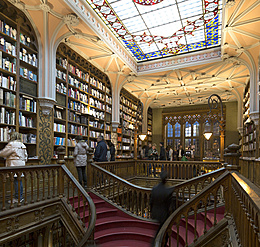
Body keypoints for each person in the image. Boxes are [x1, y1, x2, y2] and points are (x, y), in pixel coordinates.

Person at [0, 132, 27, 203]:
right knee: (19, 181)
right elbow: (26, 156)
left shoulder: (12, 144)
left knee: (16, 181)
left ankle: (17, 198)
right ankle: (20, 197)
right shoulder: (22, 144)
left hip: (14, 165)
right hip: (21, 164)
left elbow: (3, 153)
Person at [150, 171, 175, 246]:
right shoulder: (168, 191)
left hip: (155, 213)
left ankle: (155, 243)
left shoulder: (155, 189)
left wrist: (151, 211)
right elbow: (170, 206)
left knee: (160, 231)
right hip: (164, 215)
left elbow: (151, 202)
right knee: (163, 232)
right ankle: (158, 244)